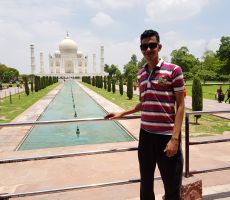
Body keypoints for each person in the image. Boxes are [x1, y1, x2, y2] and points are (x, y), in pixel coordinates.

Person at [105, 30, 185, 200]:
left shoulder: (174, 70)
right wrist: (123, 113)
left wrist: (175, 139)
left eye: (152, 45)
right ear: (140, 49)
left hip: (167, 137)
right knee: (146, 184)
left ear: (159, 46)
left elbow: (181, 106)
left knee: (172, 186)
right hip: (146, 136)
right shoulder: (141, 74)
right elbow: (145, 102)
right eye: (144, 46)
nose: (148, 49)